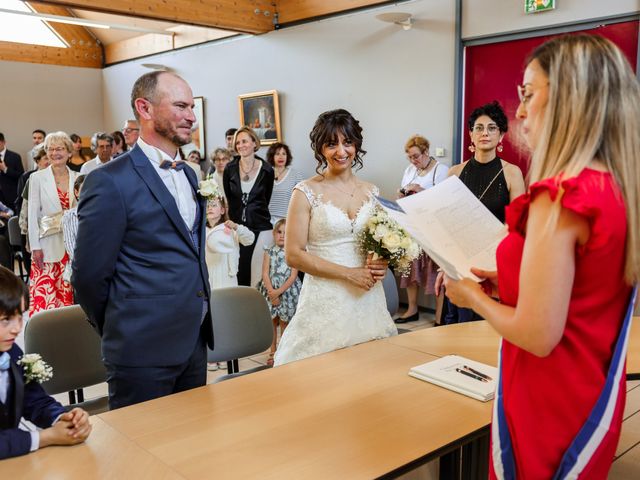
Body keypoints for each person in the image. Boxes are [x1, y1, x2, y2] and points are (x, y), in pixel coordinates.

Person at [443, 35, 639, 479]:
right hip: (589, 386)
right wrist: (505, 281)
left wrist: (470, 295)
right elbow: (581, 291)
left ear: (572, 98)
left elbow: (537, 334)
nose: (521, 113)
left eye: (529, 95)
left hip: (546, 395)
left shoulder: (564, 195)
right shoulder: (615, 187)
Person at [73, 71, 213, 410]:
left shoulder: (190, 174)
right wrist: (124, 324)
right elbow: (88, 277)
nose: (192, 116)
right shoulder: (109, 181)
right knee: (141, 457)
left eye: (192, 107)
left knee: (193, 447)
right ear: (144, 108)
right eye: (180, 105)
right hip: (140, 348)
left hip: (193, 341)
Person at [273, 109, 397, 366]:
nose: (341, 151)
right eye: (332, 144)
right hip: (325, 297)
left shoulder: (371, 191)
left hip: (367, 297)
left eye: (347, 142)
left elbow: (378, 242)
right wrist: (348, 273)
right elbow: (293, 254)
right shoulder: (305, 192)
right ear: (320, 149)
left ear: (356, 145)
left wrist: (381, 262)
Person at [437, 101, 525, 324]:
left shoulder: (512, 173)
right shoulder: (454, 173)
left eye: (492, 127)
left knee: (489, 330)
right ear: (470, 134)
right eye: (479, 127)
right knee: (459, 331)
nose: (485, 133)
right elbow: (446, 224)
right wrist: (444, 265)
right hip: (461, 263)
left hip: (496, 265)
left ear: (501, 136)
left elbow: (519, 229)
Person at [0, 266, 91, 460]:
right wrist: (44, 437)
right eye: (6, 320)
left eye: (20, 316)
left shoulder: (11, 352)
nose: (17, 329)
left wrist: (62, 418)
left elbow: (34, 399)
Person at [395, 134, 449, 323]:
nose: (413, 160)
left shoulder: (442, 171)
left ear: (426, 152)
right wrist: (402, 194)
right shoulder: (410, 170)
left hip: (434, 227)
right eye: (410, 157)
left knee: (434, 272)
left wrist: (421, 191)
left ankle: (439, 315)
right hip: (413, 226)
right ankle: (412, 309)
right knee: (410, 268)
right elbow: (402, 196)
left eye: (416, 156)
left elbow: (445, 201)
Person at [27, 132, 79, 317]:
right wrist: (34, 247)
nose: (55, 153)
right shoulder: (37, 178)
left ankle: (65, 337)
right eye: (50, 149)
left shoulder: (79, 177)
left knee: (67, 300)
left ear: (69, 152)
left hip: (72, 247)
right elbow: (32, 215)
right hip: (46, 246)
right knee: (46, 299)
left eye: (60, 149)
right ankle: (43, 339)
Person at [223, 127, 274, 287]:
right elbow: (230, 199)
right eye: (237, 142)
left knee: (257, 275)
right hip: (236, 228)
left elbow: (266, 199)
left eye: (244, 141)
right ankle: (240, 309)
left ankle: (255, 310)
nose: (240, 145)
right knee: (239, 272)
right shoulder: (230, 169)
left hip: (261, 228)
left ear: (254, 143)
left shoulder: (267, 170)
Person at [257, 219, 302, 366]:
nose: (282, 235)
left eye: (286, 233)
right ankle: (272, 351)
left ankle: (283, 351)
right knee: (272, 322)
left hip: (288, 292)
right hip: (270, 290)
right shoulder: (268, 252)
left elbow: (293, 276)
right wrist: (271, 292)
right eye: (279, 232)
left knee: (284, 322)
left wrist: (278, 292)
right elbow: (265, 273)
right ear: (273, 233)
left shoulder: (293, 253)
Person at [204, 192, 254, 289]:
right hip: (208, 274)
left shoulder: (229, 228)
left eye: (214, 205)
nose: (210, 208)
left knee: (226, 302)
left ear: (222, 210)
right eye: (207, 206)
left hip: (226, 276)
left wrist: (236, 227)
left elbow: (250, 239)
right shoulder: (201, 231)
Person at [267, 142, 304, 225]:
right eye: (277, 154)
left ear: (288, 157)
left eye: (284, 154)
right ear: (272, 156)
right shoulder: (265, 174)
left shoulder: (296, 175)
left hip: (288, 220)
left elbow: (302, 199)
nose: (281, 157)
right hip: (267, 221)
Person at [61, 175, 85, 283]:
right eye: (84, 189)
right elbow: (71, 249)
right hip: (80, 268)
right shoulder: (69, 216)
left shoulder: (103, 214)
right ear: (76, 192)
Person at [0, 133, 25, 210]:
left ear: (3, 142)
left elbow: (21, 175)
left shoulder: (15, 157)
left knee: (13, 220)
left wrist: (5, 169)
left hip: (11, 196)